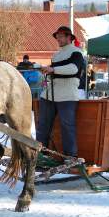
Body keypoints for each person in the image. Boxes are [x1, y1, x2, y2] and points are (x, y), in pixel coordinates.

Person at [36, 26, 84, 160]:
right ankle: (40, 155)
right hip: (50, 93)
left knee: (67, 126)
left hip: (67, 94)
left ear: (69, 37)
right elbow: (55, 72)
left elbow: (73, 69)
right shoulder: (56, 55)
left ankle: (71, 156)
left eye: (61, 36)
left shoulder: (76, 52)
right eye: (57, 36)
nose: (58, 39)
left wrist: (52, 70)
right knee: (43, 125)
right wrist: (47, 72)